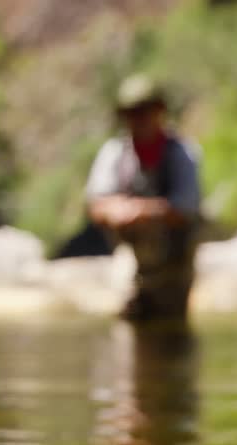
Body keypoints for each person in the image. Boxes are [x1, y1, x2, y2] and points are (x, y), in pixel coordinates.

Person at [86, 74, 202, 321]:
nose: (137, 119)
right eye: (131, 113)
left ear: (160, 111)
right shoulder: (114, 153)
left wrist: (142, 210)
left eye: (143, 111)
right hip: (130, 257)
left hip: (176, 262)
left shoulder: (182, 153)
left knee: (172, 325)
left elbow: (187, 207)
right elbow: (95, 204)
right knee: (127, 319)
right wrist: (114, 210)